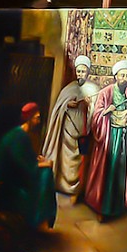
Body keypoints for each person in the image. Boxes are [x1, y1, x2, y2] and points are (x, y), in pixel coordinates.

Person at [79, 59, 127, 222]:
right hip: (110, 137)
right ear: (115, 76)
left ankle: (117, 207)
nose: (125, 78)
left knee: (120, 171)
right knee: (108, 170)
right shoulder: (106, 92)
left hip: (123, 138)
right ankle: (104, 208)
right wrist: (107, 111)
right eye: (122, 75)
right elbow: (96, 115)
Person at [0, 103, 55, 233]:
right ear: (29, 118)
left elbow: (25, 158)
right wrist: (45, 164)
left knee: (44, 172)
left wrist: (37, 160)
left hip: (13, 175)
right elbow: (23, 165)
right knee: (46, 175)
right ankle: (38, 220)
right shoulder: (19, 136)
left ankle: (41, 221)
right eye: (37, 118)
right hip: (6, 183)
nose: (38, 121)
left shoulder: (20, 134)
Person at [40, 52, 95, 199]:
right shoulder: (69, 88)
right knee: (65, 161)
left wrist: (90, 105)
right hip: (66, 132)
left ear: (88, 72)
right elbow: (59, 107)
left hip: (81, 132)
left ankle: (76, 190)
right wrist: (67, 104)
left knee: (78, 163)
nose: (81, 74)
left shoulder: (92, 89)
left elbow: (96, 111)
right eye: (79, 71)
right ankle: (61, 185)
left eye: (83, 71)